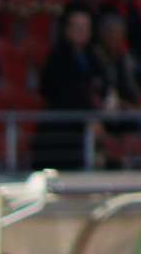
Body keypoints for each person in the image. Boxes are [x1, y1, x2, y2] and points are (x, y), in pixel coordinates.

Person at [38, 9, 110, 170]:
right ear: (67, 30)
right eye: (77, 27)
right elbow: (59, 90)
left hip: (88, 121)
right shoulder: (57, 58)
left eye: (85, 27)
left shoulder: (92, 56)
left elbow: (101, 83)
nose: (81, 32)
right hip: (63, 130)